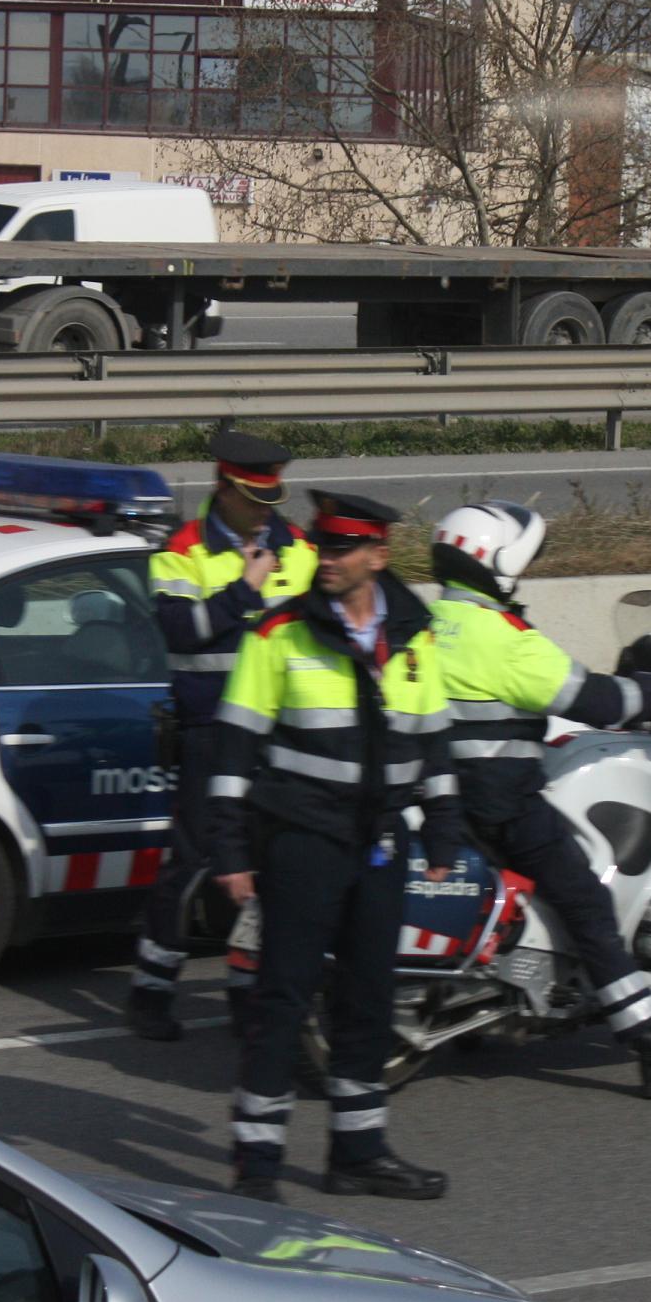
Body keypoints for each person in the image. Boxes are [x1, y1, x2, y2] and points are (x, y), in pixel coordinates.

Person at [427, 501, 651, 1098]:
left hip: (440, 796)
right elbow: (595, 700)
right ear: (498, 565)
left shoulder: (426, 625)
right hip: (499, 801)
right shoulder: (503, 638)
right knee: (587, 905)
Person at [207, 490, 461, 1203]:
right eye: (322, 546)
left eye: (344, 549)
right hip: (303, 839)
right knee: (283, 999)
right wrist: (229, 848)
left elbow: (434, 742)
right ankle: (257, 1164)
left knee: (369, 998)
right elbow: (234, 747)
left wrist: (444, 827)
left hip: (381, 842)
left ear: (378, 556)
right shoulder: (279, 633)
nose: (327, 560)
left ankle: (358, 1152)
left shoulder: (415, 636)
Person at [125, 428, 317, 1042]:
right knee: (193, 863)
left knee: (269, 867)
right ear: (223, 488)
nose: (264, 513)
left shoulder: (299, 548)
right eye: (253, 500)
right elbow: (181, 631)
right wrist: (244, 590)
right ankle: (151, 989)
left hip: (281, 733)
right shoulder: (182, 550)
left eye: (270, 501)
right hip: (212, 731)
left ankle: (245, 991)